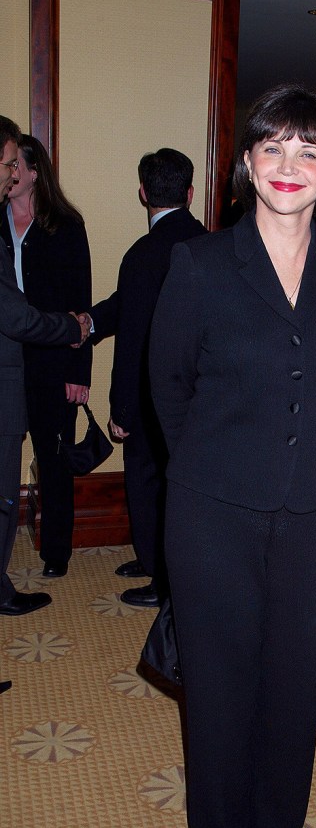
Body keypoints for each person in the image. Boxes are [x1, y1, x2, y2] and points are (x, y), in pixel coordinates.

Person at [149, 84, 316, 828]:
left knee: (294, 682)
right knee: (219, 678)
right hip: (213, 513)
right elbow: (168, 389)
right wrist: (217, 470)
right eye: (272, 147)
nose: (289, 165)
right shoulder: (201, 264)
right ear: (246, 164)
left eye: (309, 150)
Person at [84, 149, 206, 607]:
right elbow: (125, 307)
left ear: (143, 194)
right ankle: (154, 560)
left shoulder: (142, 253)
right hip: (197, 392)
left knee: (148, 483)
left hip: (152, 394)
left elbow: (133, 338)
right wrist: (90, 321)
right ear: (189, 193)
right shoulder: (207, 244)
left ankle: (162, 581)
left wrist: (120, 407)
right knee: (178, 487)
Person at [0, 115, 89, 618]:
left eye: (19, 165)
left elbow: (80, 305)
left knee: (53, 460)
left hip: (55, 359)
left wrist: (81, 373)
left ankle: (57, 550)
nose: (13, 174)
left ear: (36, 172)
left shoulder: (64, 225)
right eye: (8, 165)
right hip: (8, 359)